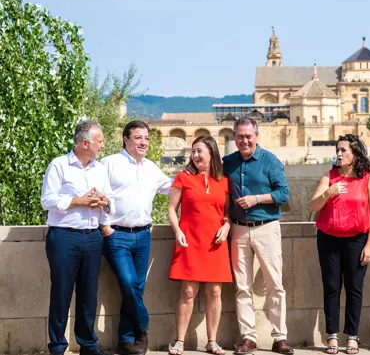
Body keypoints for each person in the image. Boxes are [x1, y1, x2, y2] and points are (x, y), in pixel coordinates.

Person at [41, 119, 113, 355]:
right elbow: (48, 200)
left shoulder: (100, 169)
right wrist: (79, 201)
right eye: (99, 141)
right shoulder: (59, 165)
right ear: (84, 143)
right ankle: (58, 347)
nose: (102, 146)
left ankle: (88, 345)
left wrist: (104, 202)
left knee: (88, 294)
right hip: (63, 237)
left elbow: (111, 203)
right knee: (61, 293)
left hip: (93, 237)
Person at [100, 120, 172, 355]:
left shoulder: (152, 167)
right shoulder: (109, 163)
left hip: (143, 235)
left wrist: (201, 178)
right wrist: (105, 226)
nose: (143, 142)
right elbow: (97, 193)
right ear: (126, 139)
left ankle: (126, 341)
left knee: (135, 289)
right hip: (116, 235)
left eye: (147, 138)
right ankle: (143, 325)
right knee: (129, 284)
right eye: (138, 137)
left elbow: (172, 187)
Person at [223, 117, 293, 355]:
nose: (244, 140)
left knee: (275, 283)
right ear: (234, 137)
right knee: (242, 287)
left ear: (256, 136)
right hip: (239, 229)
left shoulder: (270, 160)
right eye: (240, 136)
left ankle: (280, 337)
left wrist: (257, 198)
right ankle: (248, 338)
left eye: (248, 136)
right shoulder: (228, 163)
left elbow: (283, 194)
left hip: (266, 227)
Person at [309, 134, 370, 355]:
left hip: (356, 240)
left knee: (354, 289)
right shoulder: (328, 177)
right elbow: (312, 206)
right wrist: (328, 193)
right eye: (337, 150)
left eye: (344, 150)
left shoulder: (368, 179)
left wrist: (369, 245)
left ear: (355, 154)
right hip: (329, 239)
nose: (339, 154)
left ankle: (352, 336)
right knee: (331, 288)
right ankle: (331, 335)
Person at [167, 136, 232, 355]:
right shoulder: (183, 178)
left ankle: (212, 341)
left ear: (212, 153)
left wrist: (227, 226)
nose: (195, 155)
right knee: (187, 291)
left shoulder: (223, 180)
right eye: (193, 151)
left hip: (215, 242)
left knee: (214, 292)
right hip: (190, 241)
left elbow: (228, 213)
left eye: (199, 151)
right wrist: (177, 232)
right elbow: (171, 209)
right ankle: (179, 341)